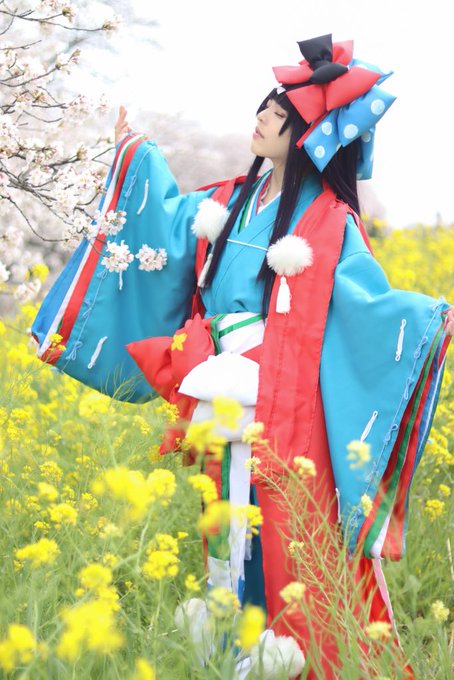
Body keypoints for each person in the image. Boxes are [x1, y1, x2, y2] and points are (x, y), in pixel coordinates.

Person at [32, 34, 453, 678]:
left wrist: (428, 321)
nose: (261, 119)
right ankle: (234, 653)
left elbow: (367, 306)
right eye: (264, 107)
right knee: (226, 526)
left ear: (307, 136)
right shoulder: (230, 201)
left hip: (281, 398)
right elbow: (164, 227)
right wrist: (137, 155)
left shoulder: (329, 221)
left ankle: (293, 657)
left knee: (282, 534)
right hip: (220, 389)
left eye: (277, 114)